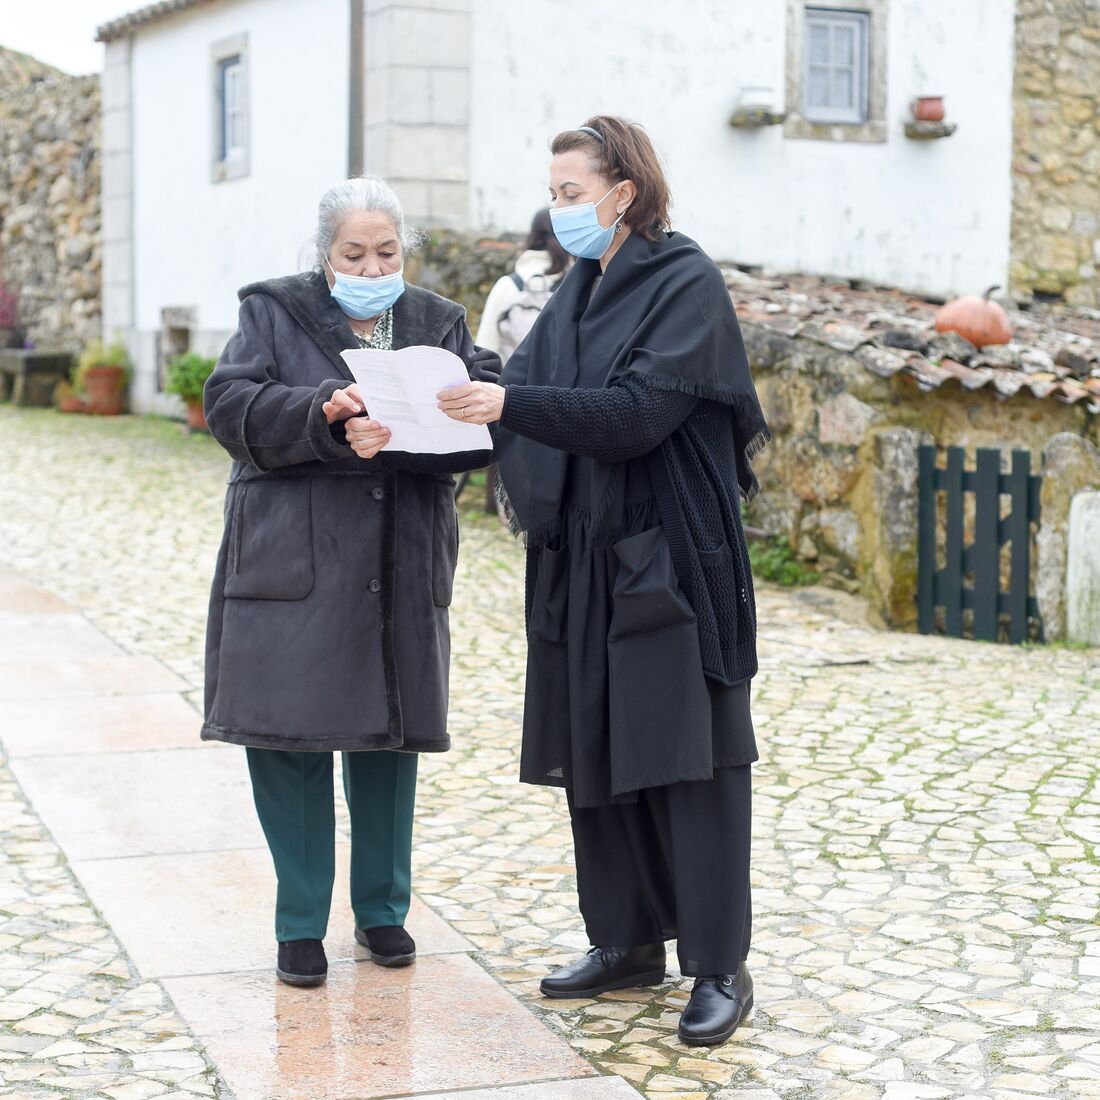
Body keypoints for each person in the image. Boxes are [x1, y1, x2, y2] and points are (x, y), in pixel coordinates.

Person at [437, 117, 769, 1047]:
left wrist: (509, 399)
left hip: (670, 557)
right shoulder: (582, 285)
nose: (560, 210)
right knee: (596, 749)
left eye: (573, 193)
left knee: (691, 760)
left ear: (626, 193)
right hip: (583, 556)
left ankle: (719, 965)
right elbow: (521, 389)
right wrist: (435, 385)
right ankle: (623, 943)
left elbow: (634, 417)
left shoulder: (685, 283)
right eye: (555, 193)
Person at [201, 176, 498, 988]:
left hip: (397, 558)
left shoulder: (440, 322)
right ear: (325, 254)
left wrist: (463, 416)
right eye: (354, 253)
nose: (372, 265)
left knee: (387, 734)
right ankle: (300, 923)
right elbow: (230, 403)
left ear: (406, 251)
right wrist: (326, 414)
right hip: (294, 555)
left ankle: (382, 912)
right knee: (290, 738)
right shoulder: (273, 309)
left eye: (387, 251)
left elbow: (490, 417)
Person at [475, 207, 569, 360]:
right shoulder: (574, 286)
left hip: (508, 382)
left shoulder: (507, 284)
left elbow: (485, 347)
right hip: (558, 383)